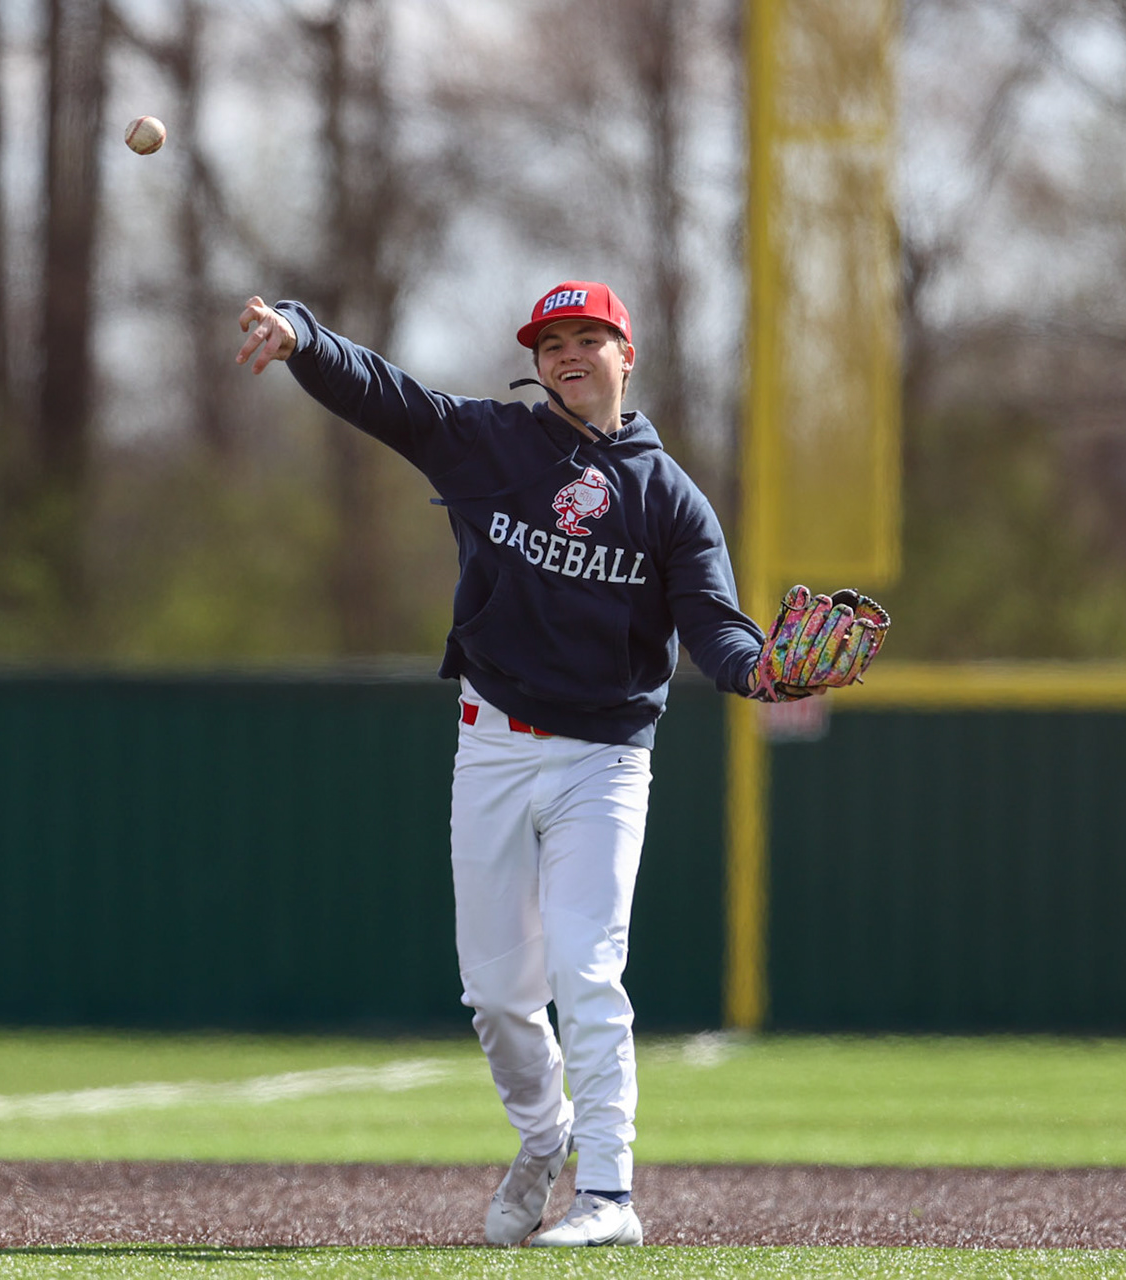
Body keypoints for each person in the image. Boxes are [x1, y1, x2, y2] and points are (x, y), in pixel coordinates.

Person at [236, 283, 785, 1247]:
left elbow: (714, 623)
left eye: (587, 337)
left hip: (605, 762)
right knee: (496, 996)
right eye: (550, 342)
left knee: (587, 966)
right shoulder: (491, 443)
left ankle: (608, 1194)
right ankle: (544, 1135)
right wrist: (304, 337)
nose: (567, 354)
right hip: (491, 743)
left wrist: (759, 670)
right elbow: (387, 396)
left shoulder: (670, 499)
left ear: (627, 353)